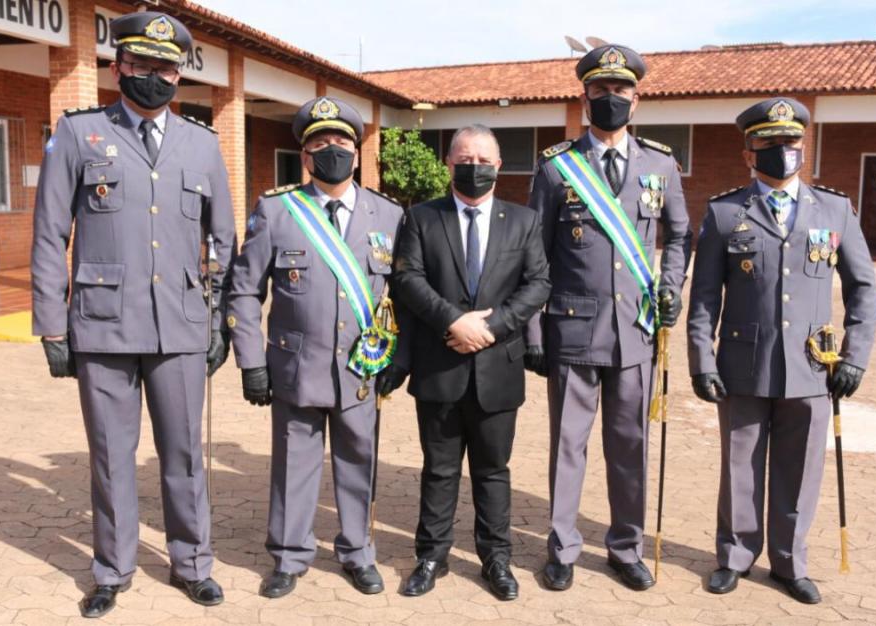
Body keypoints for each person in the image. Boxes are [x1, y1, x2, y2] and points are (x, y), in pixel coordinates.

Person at [31, 11, 235, 618]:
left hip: (179, 326)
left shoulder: (202, 143)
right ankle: (112, 570)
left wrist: (219, 318)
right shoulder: (77, 133)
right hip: (101, 324)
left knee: (184, 455)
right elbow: (48, 235)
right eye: (141, 64)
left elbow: (221, 238)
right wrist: (52, 324)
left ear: (179, 76)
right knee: (112, 456)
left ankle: (193, 564)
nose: (154, 76)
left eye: (165, 68)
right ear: (118, 65)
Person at [687, 97, 876, 604]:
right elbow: (704, 296)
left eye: (790, 142)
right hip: (741, 364)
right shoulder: (726, 211)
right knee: (740, 466)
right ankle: (734, 556)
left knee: (800, 469)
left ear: (802, 147)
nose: (782, 151)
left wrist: (855, 354)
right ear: (749, 152)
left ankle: (789, 562)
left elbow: (863, 288)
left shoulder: (834, 208)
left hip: (813, 366)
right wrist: (700, 361)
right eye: (769, 144)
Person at [526, 44, 692, 592]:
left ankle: (625, 547)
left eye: (621, 92)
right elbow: (535, 254)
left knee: (629, 446)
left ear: (636, 100)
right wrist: (533, 330)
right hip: (572, 329)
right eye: (601, 91)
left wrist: (670, 289)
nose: (611, 99)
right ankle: (563, 548)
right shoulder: (556, 168)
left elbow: (681, 236)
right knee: (567, 446)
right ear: (586, 97)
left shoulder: (660, 164)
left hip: (636, 332)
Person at [228, 96, 406, 598]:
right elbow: (244, 289)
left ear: (357, 150)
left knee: (358, 461)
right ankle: (288, 556)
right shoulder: (278, 210)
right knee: (293, 463)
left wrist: (398, 357)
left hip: (362, 367)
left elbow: (404, 296)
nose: (332, 150)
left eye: (341, 142)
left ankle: (357, 552)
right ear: (305, 156)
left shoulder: (387, 215)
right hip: (294, 365)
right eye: (319, 143)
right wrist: (251, 361)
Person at [392, 124, 550, 601]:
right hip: (441, 364)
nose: (474, 167)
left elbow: (538, 283)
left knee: (493, 470)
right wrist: (453, 323)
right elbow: (408, 279)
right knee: (438, 469)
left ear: (499, 166)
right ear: (449, 163)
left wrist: (492, 326)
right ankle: (431, 556)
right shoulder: (421, 218)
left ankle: (495, 558)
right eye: (465, 158)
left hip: (497, 367)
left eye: (484, 160)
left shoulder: (523, 221)